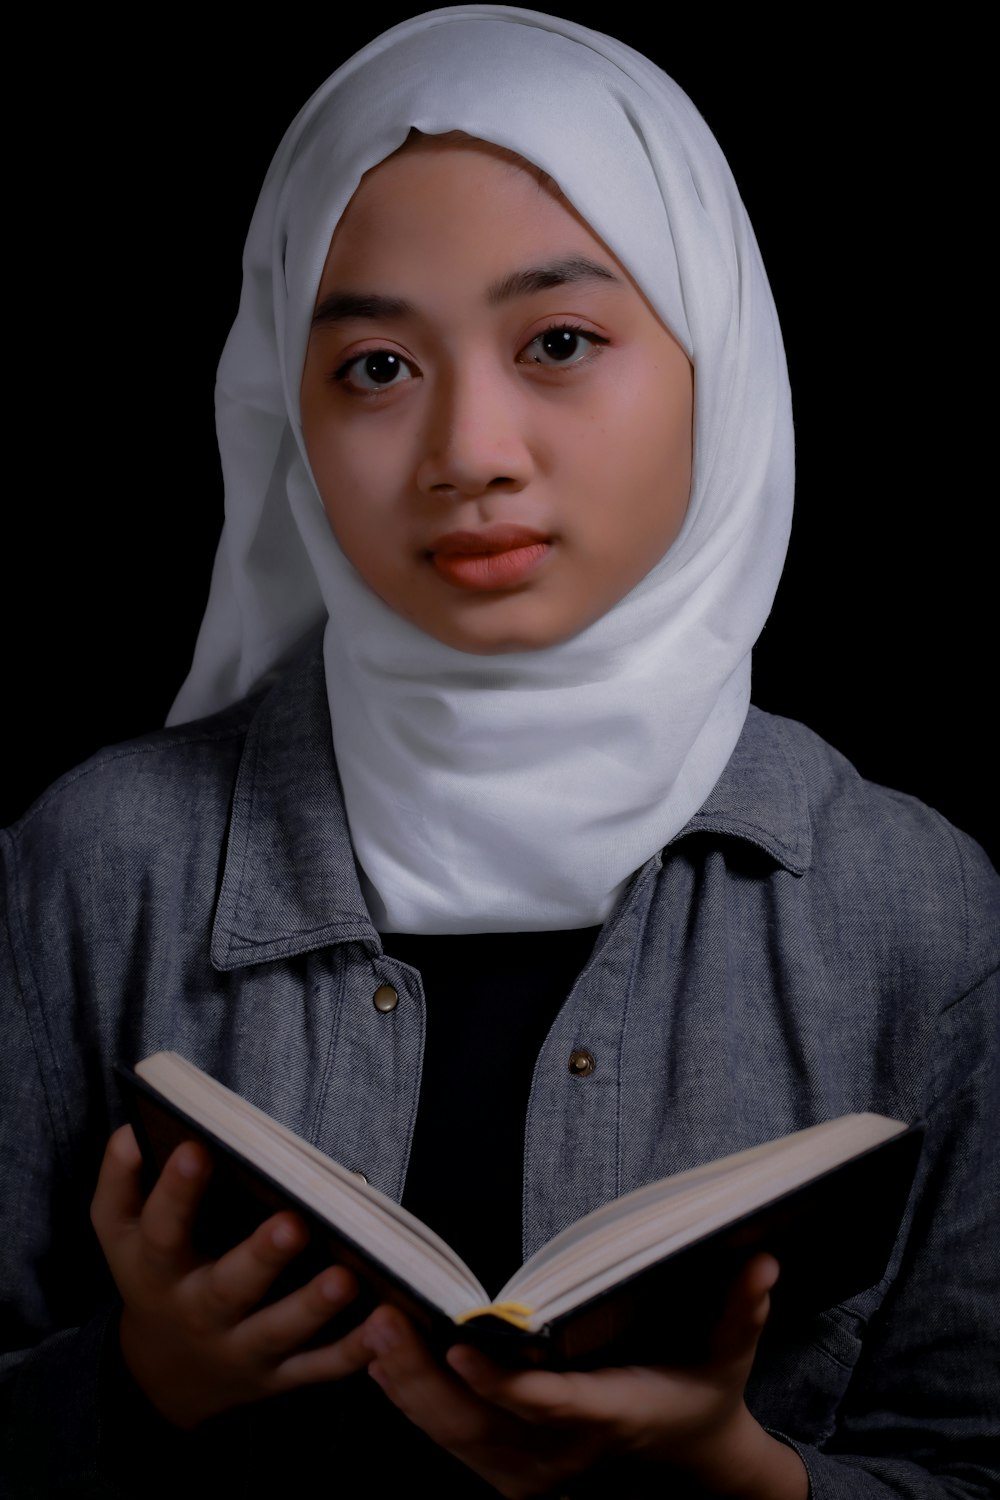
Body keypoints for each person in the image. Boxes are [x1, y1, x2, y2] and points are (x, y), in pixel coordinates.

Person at [1, 7, 996, 1497]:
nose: (470, 447)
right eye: (379, 368)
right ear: (292, 411)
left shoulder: (916, 907)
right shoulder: (99, 865)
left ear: (714, 356)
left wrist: (735, 1471)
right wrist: (138, 1390)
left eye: (560, 342)